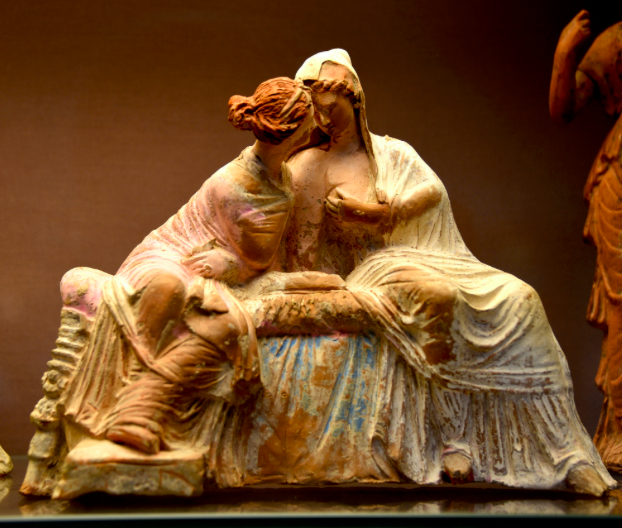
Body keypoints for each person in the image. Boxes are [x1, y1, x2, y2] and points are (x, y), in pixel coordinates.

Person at [234, 49, 613, 495]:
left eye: (327, 104)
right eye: (312, 108)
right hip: (371, 272)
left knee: (521, 298)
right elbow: (303, 254)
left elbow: (430, 194)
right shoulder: (308, 167)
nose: (320, 117)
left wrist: (381, 213)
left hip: (425, 258)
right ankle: (454, 438)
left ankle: (565, 452)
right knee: (438, 297)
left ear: (353, 98)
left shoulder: (394, 154)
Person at [58, 77, 318, 455]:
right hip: (171, 256)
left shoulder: (283, 178)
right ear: (293, 132)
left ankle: (139, 406)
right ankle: (127, 396)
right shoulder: (234, 184)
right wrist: (230, 264)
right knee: (169, 291)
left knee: (221, 323)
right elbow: (253, 257)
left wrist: (230, 265)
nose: (315, 126)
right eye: (310, 120)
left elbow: (260, 260)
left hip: (215, 270)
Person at [550, 10, 622, 470]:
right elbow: (565, 108)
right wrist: (565, 52)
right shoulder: (616, 41)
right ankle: (619, 432)